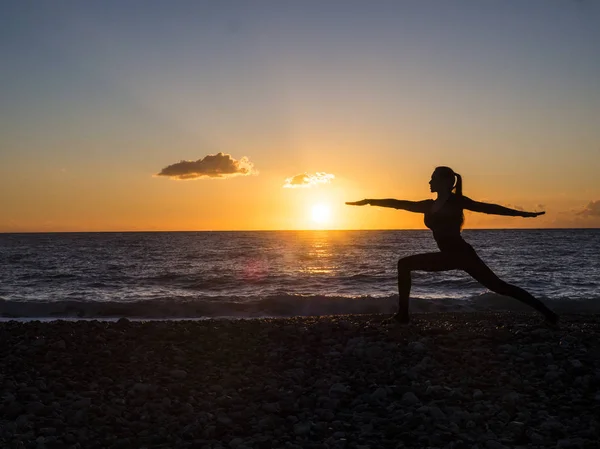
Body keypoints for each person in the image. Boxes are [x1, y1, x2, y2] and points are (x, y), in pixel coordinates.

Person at [346, 166, 558, 325]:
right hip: (448, 255)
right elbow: (399, 204)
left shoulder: (457, 202)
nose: (429, 181)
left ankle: (548, 314)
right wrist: (369, 201)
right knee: (404, 264)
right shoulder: (428, 206)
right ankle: (403, 315)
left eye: (433, 178)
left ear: (446, 182)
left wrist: (523, 214)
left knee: (499, 287)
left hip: (463, 255)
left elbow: (488, 208)